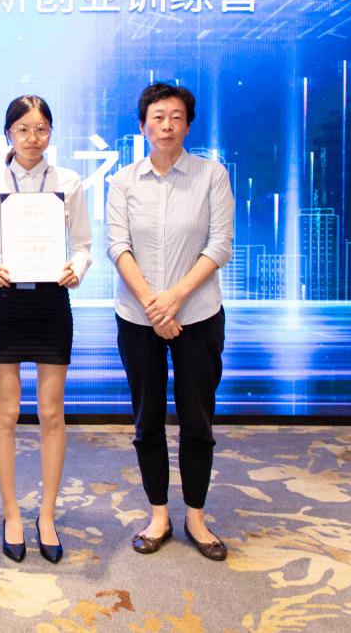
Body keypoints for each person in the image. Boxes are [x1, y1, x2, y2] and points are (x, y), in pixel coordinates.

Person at [0, 95, 92, 564]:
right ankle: (13, 513)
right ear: (8, 134)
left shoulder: (69, 182)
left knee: (52, 414)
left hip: (52, 302)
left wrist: (77, 267)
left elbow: (84, 244)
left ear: (50, 132)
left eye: (41, 129)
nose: (32, 138)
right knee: (8, 413)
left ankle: (48, 516)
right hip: (8, 301)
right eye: (23, 129)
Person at [106, 81, 234, 561]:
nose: (167, 125)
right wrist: (151, 304)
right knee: (147, 420)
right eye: (158, 117)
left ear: (188, 125)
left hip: (197, 314)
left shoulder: (211, 175)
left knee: (197, 419)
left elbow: (219, 244)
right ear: (143, 126)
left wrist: (175, 298)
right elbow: (117, 245)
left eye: (176, 117)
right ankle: (158, 514)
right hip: (137, 317)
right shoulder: (123, 181)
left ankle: (196, 518)